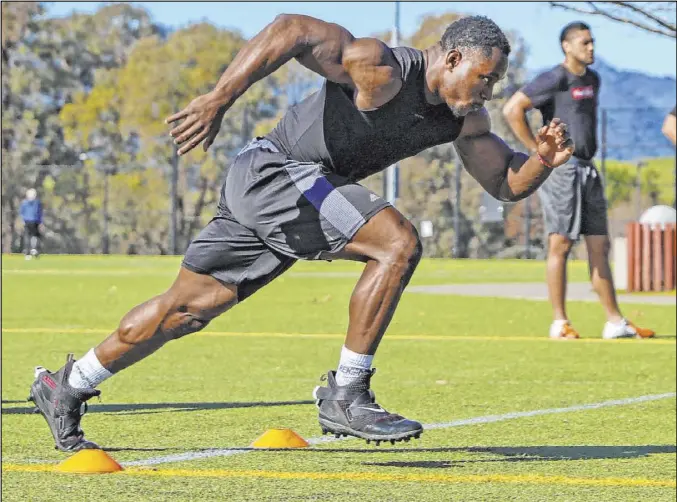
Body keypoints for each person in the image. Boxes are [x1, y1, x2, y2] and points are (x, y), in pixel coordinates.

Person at [30, 14, 576, 452]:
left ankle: (67, 384)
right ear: (453, 58)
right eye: (485, 77)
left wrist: (542, 161)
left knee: (186, 309)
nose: (488, 91)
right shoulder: (381, 68)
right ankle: (347, 390)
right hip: (276, 170)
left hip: (292, 193)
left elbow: (505, 184)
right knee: (397, 242)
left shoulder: (460, 120)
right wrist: (220, 97)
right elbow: (292, 29)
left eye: (496, 82)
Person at [503, 22, 654, 340]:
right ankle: (560, 322)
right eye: (585, 43)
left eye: (592, 42)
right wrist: (538, 152)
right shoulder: (554, 78)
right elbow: (512, 109)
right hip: (563, 171)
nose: (591, 48)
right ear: (566, 46)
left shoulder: (593, 80)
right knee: (561, 243)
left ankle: (615, 322)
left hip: (589, 167)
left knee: (600, 244)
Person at [20, 188, 43, 260]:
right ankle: (34, 249)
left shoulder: (24, 203)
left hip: (27, 221)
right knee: (35, 235)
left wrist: (23, 220)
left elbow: (21, 212)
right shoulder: (37, 202)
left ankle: (27, 253)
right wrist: (40, 222)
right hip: (34, 221)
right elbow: (39, 213)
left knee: (27, 236)